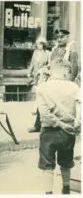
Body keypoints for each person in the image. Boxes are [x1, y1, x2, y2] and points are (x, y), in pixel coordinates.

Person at [36, 59, 80, 194]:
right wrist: (76, 123)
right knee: (66, 163)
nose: (69, 74)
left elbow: (43, 113)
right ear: (65, 71)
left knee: (47, 166)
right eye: (69, 72)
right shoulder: (74, 87)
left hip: (49, 131)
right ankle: (66, 190)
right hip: (69, 131)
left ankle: (48, 193)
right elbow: (80, 108)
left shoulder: (42, 87)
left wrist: (59, 124)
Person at [27, 37, 51, 133]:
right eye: (37, 44)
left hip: (44, 79)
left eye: (40, 44)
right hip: (36, 79)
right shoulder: (35, 53)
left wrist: (43, 70)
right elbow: (32, 64)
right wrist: (29, 73)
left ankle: (40, 125)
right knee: (38, 101)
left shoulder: (48, 53)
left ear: (43, 45)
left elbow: (49, 65)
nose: (38, 45)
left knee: (41, 101)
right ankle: (38, 125)